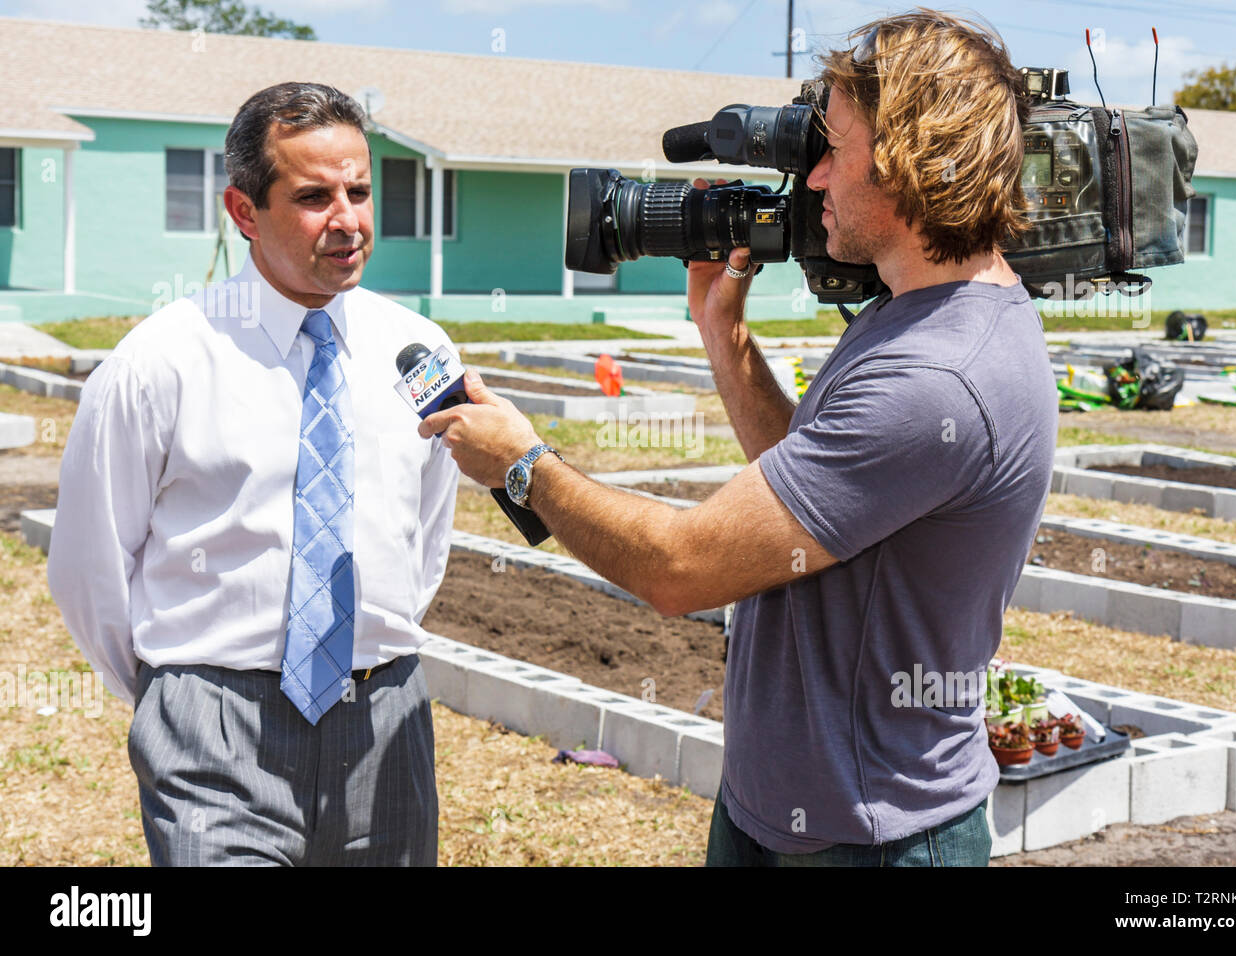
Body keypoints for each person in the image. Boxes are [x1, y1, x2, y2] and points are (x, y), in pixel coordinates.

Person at [417, 10, 1057, 866]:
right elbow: (817, 500)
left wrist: (523, 466)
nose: (815, 178)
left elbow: (680, 569)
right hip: (789, 811)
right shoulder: (914, 315)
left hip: (867, 837)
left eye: (835, 149)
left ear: (911, 164)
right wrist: (726, 338)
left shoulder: (937, 376)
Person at [47, 83, 458, 866]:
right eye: (313, 197)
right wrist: (182, 693)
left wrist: (368, 644)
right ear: (243, 212)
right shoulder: (158, 363)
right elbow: (89, 567)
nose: (349, 220)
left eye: (360, 190)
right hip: (213, 727)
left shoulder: (421, 354)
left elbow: (424, 536)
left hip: (385, 722)